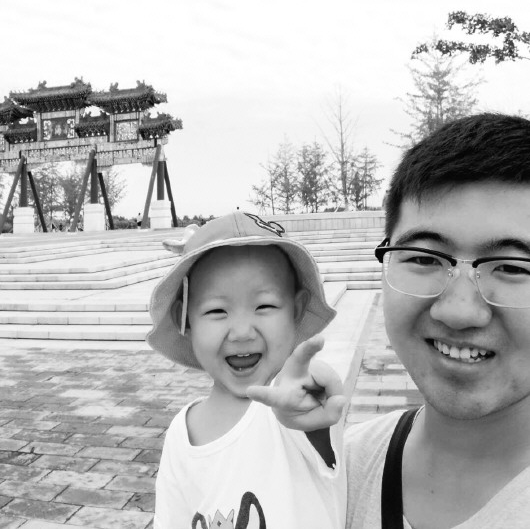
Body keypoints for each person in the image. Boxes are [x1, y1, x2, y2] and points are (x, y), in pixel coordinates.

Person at [252, 112, 530, 529]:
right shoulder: (345, 469)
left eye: (512, 267)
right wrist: (302, 451)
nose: (458, 311)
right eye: (424, 258)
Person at [146, 210, 346, 528]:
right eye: (216, 310)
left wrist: (313, 392)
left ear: (295, 311)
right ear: (185, 320)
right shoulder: (181, 435)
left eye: (264, 306)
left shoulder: (296, 411)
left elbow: (316, 411)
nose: (241, 332)